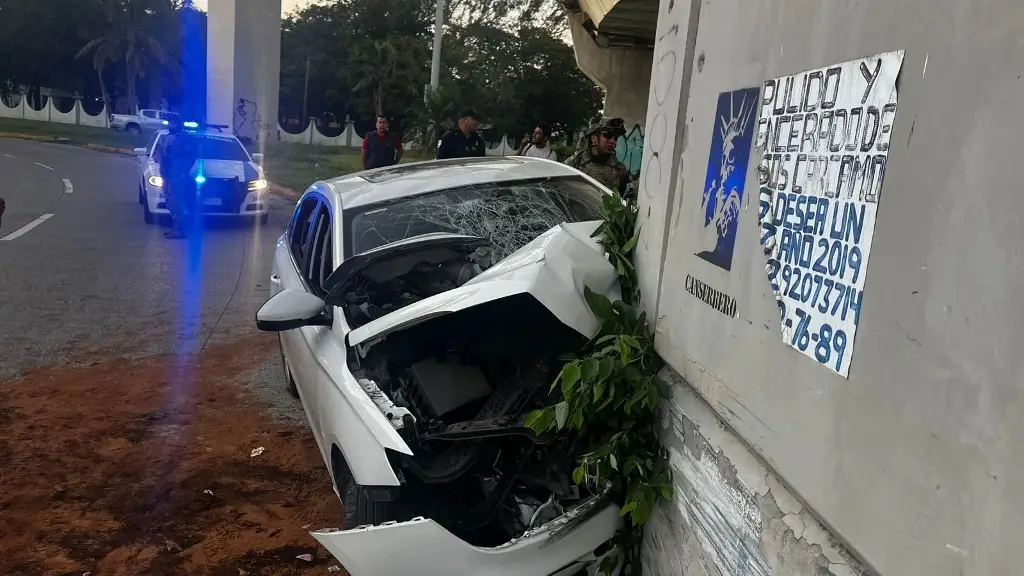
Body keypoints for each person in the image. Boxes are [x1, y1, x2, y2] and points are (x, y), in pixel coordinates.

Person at [566, 117, 630, 198]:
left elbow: (627, 200)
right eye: (608, 135)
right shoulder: (575, 162)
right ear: (594, 138)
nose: (612, 141)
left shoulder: (620, 171)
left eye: (615, 138)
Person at [157, 120, 198, 239]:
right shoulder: (169, 138)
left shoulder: (182, 140)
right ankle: (176, 228)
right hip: (170, 176)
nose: (170, 125)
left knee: (176, 203)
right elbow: (162, 156)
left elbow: (189, 158)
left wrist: (182, 173)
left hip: (177, 178)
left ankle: (180, 229)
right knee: (171, 202)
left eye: (172, 123)